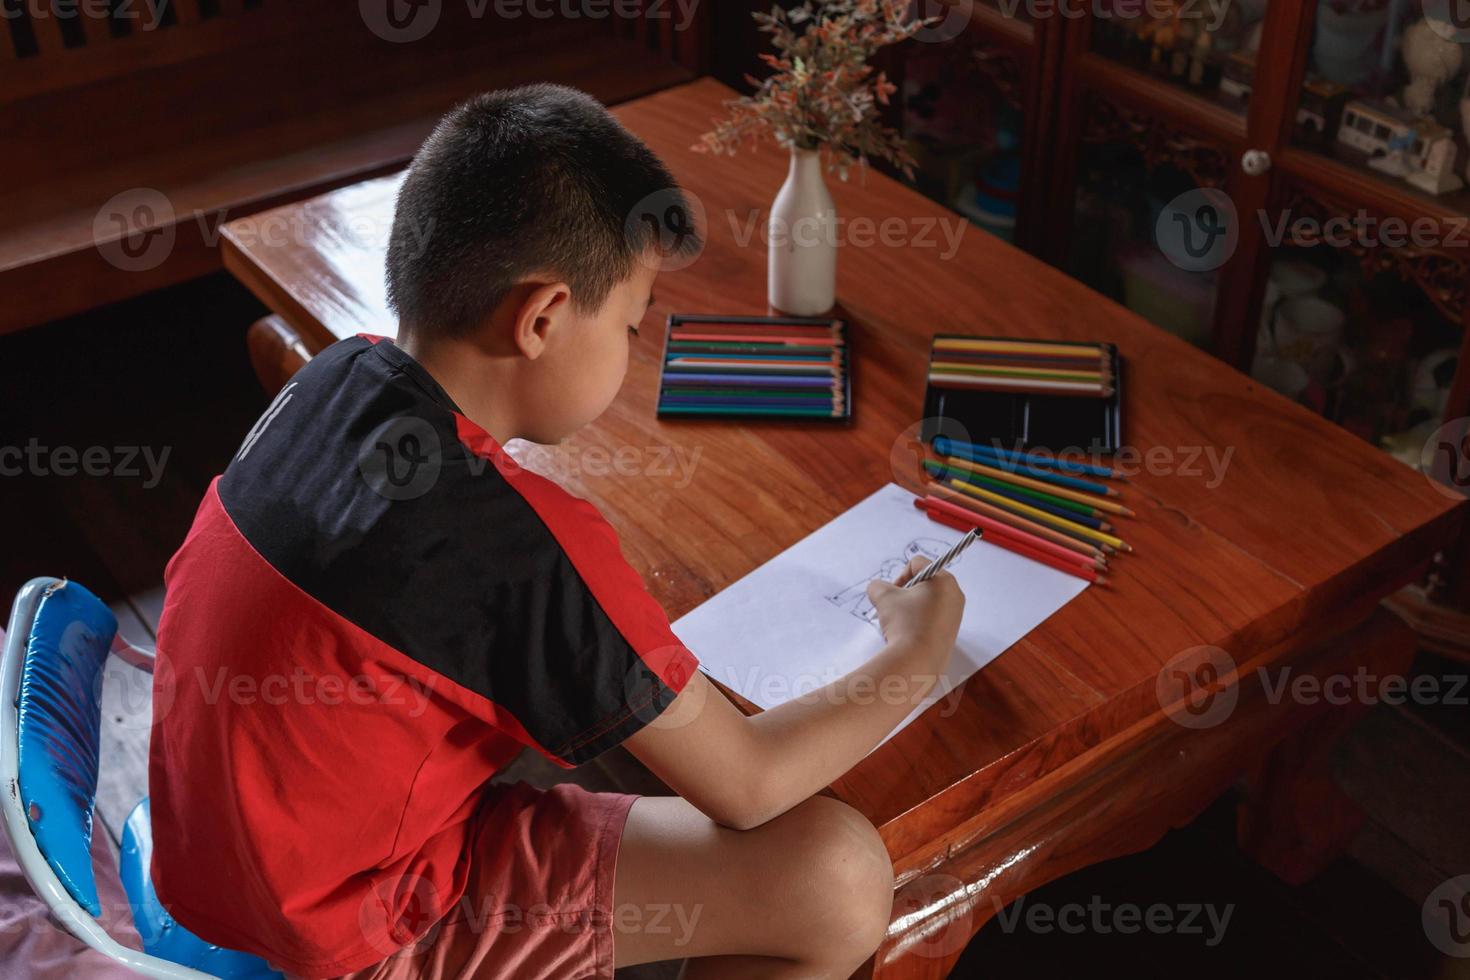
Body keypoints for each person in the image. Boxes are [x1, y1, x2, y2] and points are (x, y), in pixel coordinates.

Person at [149, 83, 965, 980]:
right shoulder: (516, 544)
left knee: (614, 759)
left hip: (216, 862)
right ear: (540, 319)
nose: (629, 348)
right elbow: (748, 785)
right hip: (348, 932)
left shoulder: (334, 379)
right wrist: (916, 655)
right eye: (627, 324)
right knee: (835, 872)